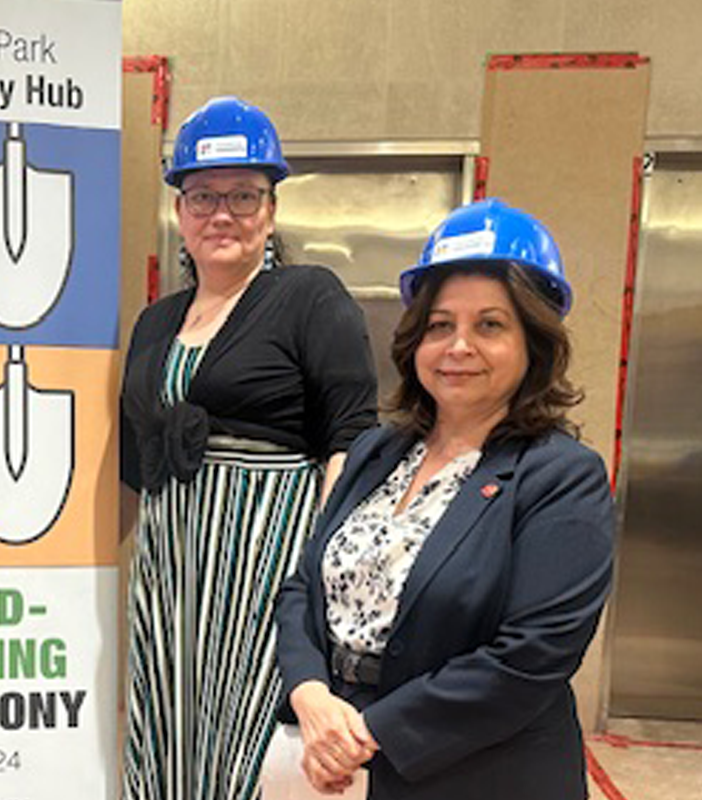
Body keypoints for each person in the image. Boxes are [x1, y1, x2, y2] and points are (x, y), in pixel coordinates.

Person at [272, 199, 615, 800]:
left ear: (533, 343)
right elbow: (303, 586)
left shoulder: (562, 476)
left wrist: (367, 733)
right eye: (439, 325)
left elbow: (531, 656)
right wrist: (310, 694)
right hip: (332, 747)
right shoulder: (376, 451)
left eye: (490, 325)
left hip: (477, 771)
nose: (458, 345)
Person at [119, 96, 379, 800]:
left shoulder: (308, 296)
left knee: (249, 739)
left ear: (270, 209)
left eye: (243, 195)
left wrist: (324, 576)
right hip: (171, 572)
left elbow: (350, 436)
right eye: (203, 196)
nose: (222, 213)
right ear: (180, 210)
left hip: (266, 568)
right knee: (167, 724)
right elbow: (135, 461)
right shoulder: (155, 321)